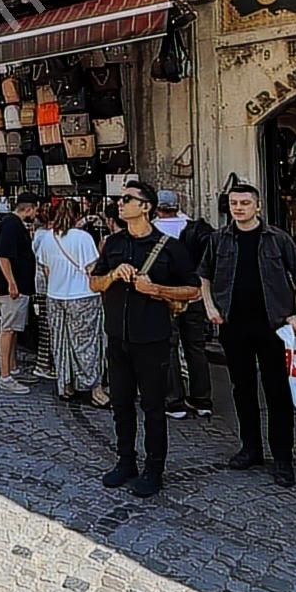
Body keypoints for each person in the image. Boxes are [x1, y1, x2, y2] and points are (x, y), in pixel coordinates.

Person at [198, 184, 296, 488]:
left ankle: (283, 457)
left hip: (274, 327)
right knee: (242, 389)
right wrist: (210, 306)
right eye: (234, 203)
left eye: (245, 203)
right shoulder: (218, 239)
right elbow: (204, 275)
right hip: (234, 326)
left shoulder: (278, 239)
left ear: (257, 206)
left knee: (278, 393)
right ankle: (250, 448)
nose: (238, 208)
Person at [94, 182, 201, 498]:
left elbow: (193, 290)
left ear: (146, 207)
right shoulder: (113, 243)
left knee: (154, 407)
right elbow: (94, 283)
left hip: (153, 339)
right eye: (120, 198)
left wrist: (155, 289)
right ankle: (125, 461)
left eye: (127, 199)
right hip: (117, 337)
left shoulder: (169, 247)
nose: (120, 203)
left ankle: (154, 469)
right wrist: (113, 275)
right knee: (121, 404)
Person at [33, 198, 106, 404]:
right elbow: (92, 269)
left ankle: (66, 384)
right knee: (86, 344)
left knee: (60, 341)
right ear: (78, 216)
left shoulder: (47, 238)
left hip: (55, 296)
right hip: (82, 296)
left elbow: (46, 270)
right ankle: (94, 388)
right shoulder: (83, 238)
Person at [153, 190, 216, 418]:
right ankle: (202, 400)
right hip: (194, 294)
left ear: (156, 207)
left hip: (165, 295)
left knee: (169, 347)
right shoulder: (197, 229)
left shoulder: (151, 230)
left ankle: (174, 401)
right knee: (196, 347)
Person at [0, 195, 39, 394]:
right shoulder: (11, 225)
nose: (36, 214)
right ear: (29, 209)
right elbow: (3, 256)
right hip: (12, 288)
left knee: (14, 329)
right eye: (36, 210)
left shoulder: (13, 224)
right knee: (8, 329)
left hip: (18, 287)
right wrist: (11, 283)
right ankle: (5, 376)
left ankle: (12, 368)